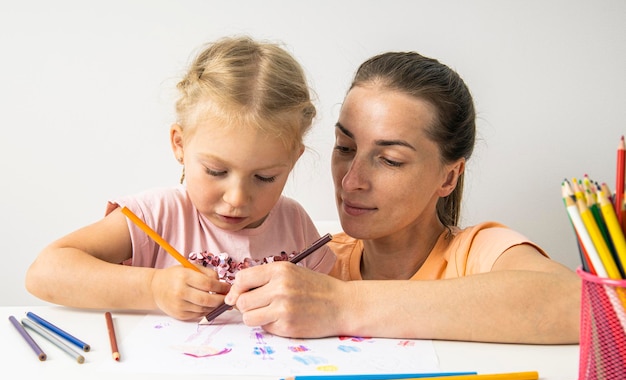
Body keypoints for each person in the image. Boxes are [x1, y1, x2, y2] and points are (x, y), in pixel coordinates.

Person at [223, 51, 581, 344]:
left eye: (390, 160)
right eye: (345, 147)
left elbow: (582, 305)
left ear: (448, 176)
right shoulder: (320, 261)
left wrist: (340, 304)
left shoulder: (478, 253)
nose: (351, 182)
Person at [25, 36, 335, 321]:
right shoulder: (157, 215)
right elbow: (45, 273)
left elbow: (333, 303)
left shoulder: (295, 223)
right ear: (180, 145)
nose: (237, 198)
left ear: (294, 159)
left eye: (265, 177)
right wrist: (153, 287)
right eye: (216, 171)